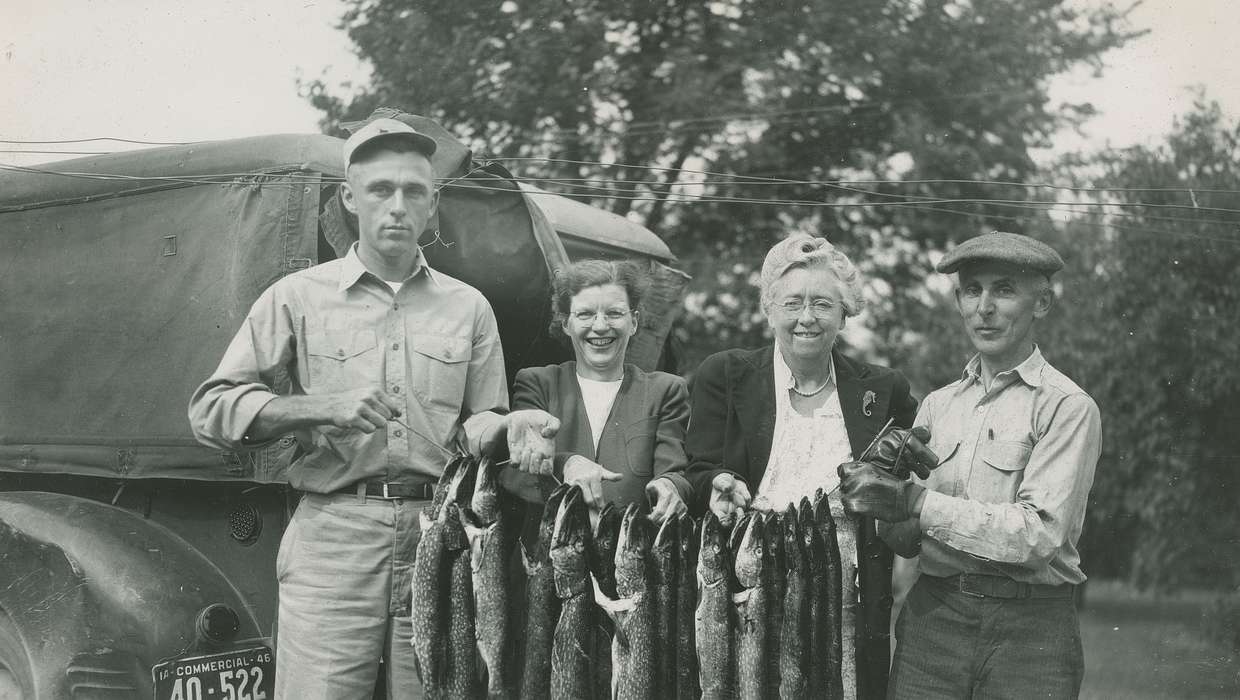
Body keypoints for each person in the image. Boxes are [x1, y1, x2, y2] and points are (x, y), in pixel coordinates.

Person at [187, 117, 559, 700]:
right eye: (381, 189)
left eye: (414, 191)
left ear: (433, 206)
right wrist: (317, 408)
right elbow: (212, 410)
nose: (397, 206)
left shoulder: (469, 309)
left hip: (442, 540)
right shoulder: (297, 296)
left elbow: (479, 425)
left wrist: (512, 425)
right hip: (334, 533)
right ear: (350, 197)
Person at [652, 233, 918, 699]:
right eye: (792, 303)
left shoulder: (883, 389)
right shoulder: (727, 374)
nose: (807, 318)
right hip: (746, 585)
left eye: (822, 304)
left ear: (845, 311)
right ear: (769, 308)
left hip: (845, 596)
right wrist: (718, 481)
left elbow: (903, 481)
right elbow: (698, 469)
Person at [839, 231, 1102, 699]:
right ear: (958, 300)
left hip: (1032, 629)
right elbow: (904, 542)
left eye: (1004, 290)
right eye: (972, 290)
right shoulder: (937, 407)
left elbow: (1037, 536)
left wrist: (916, 501)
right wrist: (882, 493)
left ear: (1041, 303)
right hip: (934, 620)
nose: (984, 307)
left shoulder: (1067, 407)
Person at [501, 259, 692, 524]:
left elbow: (675, 471)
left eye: (614, 313)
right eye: (585, 314)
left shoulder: (665, 390)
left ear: (634, 322)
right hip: (548, 554)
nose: (600, 326)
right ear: (566, 323)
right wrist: (567, 464)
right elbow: (514, 471)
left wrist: (670, 487)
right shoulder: (537, 383)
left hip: (628, 555)